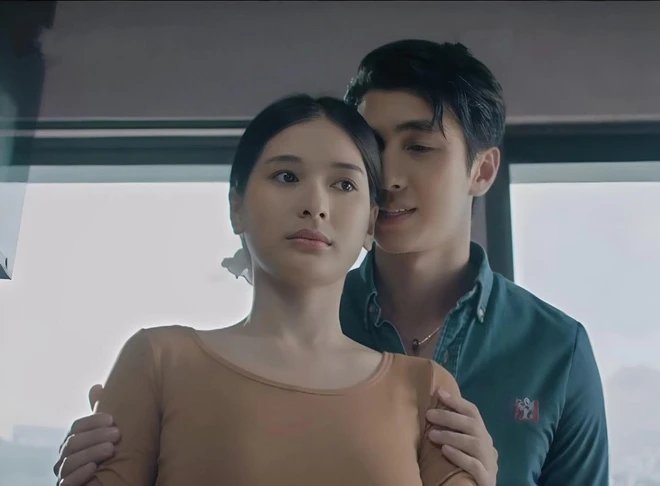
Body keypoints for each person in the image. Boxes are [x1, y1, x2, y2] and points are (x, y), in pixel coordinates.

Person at [55, 40, 609, 485]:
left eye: (419, 147)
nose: (387, 177)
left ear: (482, 171)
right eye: (371, 148)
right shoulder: (285, 309)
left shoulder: (555, 350)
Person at [68, 94, 476, 486]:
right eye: (287, 176)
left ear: (371, 222)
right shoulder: (158, 362)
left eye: (343, 184)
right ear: (237, 206)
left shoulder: (425, 390)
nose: (315, 205)